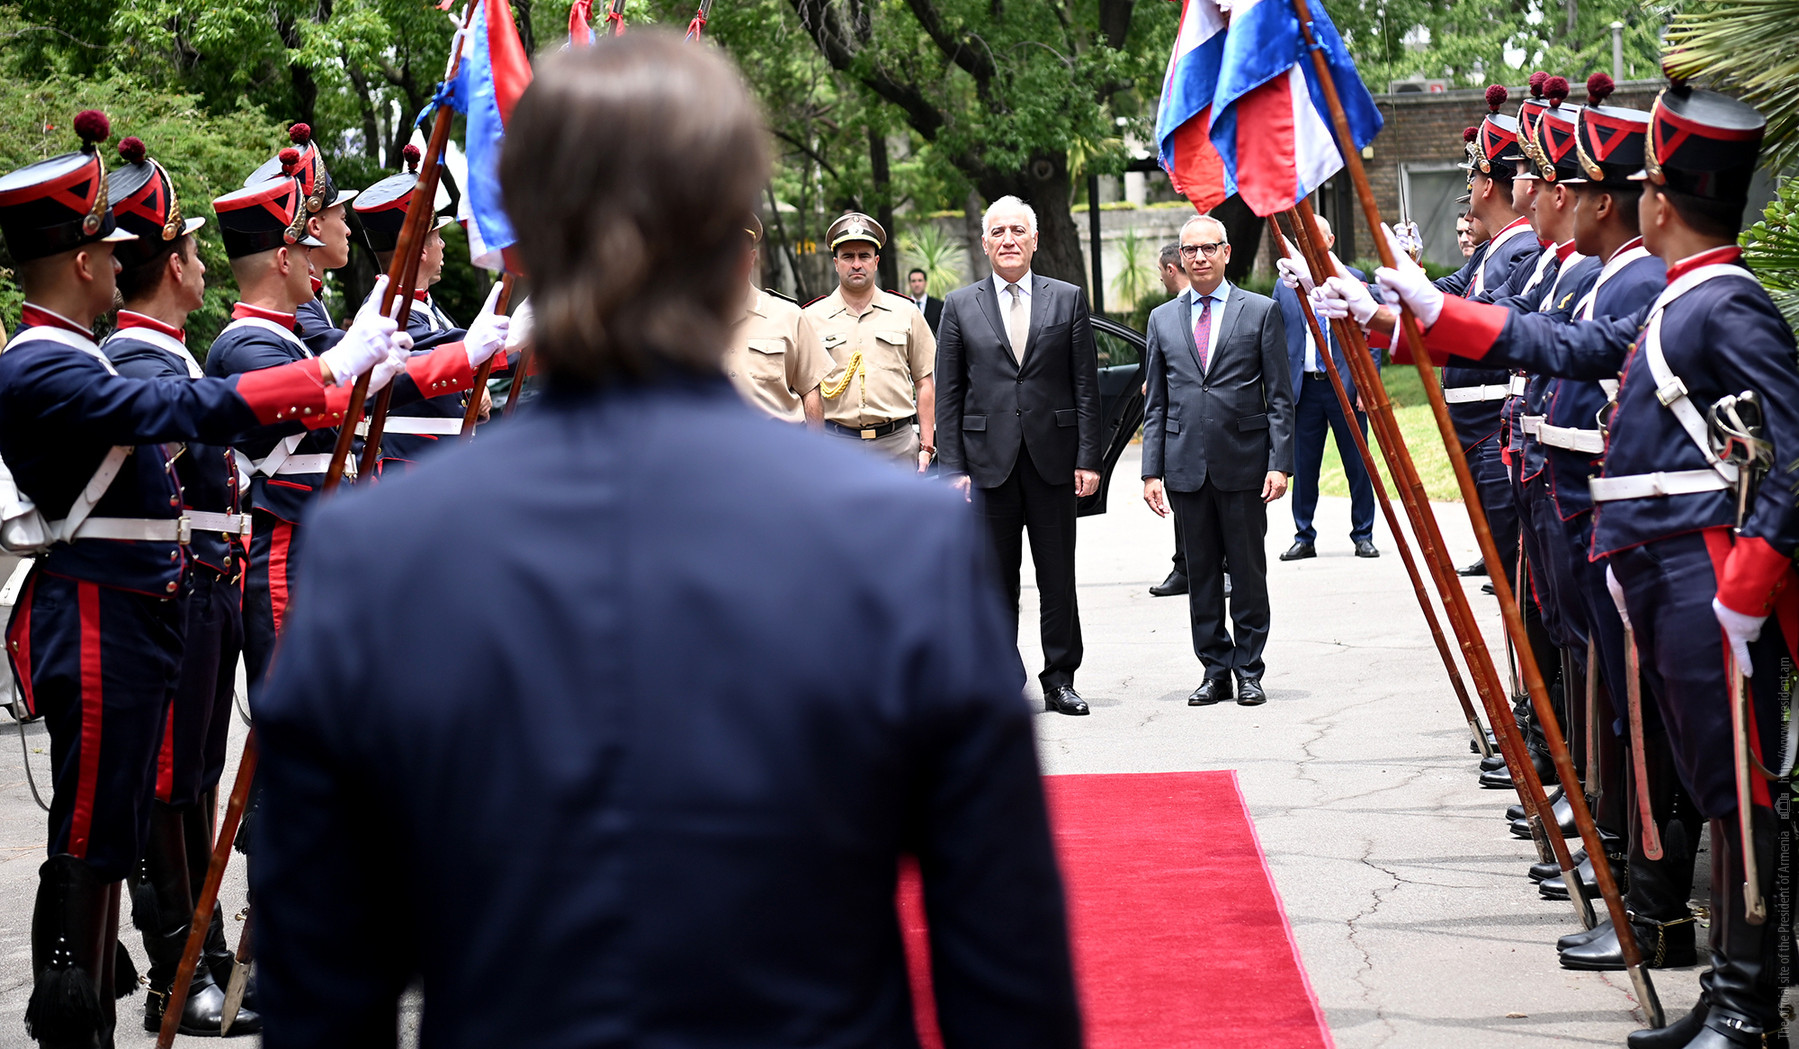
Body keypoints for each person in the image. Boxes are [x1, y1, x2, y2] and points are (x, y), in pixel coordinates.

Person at [250, 33, 1081, 1049]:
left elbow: (325, 996)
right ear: (739, 263)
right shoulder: (900, 543)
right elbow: (1007, 985)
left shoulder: (369, 558)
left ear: (519, 252)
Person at [1322, 80, 1796, 1049]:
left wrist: (1746, 587)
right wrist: (1419, 313)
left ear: (1654, 201)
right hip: (1659, 566)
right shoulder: (1679, 297)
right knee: (1704, 773)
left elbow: (1786, 452)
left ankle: (1747, 1006)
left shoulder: (1723, 305)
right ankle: (1725, 984)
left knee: (1732, 787)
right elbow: (1571, 343)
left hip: (1703, 573)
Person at [0, 111, 401, 1049]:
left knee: (122, 811)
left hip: (132, 611)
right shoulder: (39, 365)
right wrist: (324, 374)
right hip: (96, 614)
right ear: (85, 263)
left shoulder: (74, 354)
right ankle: (76, 1018)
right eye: (104, 245)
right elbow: (172, 405)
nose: (114, 261)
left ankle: (96, 1002)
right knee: (98, 827)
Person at [204, 154, 503, 699]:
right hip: (290, 541)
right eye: (302, 250)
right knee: (287, 726)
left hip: (323, 534)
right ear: (281, 259)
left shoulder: (288, 338)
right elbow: (329, 399)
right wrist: (460, 355)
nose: (313, 261)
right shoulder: (250, 344)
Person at [98, 135, 266, 1037]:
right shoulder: (142, 362)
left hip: (206, 585)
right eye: (193, 251)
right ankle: (177, 970)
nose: (203, 266)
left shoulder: (170, 354)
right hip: (175, 589)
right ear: (168, 266)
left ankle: (191, 962)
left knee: (193, 779)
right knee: (171, 784)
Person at [935, 195, 1103, 716]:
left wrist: (1089, 458)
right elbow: (949, 393)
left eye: (1018, 231)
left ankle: (1060, 679)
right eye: (998, 232)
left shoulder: (1068, 298)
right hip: (986, 465)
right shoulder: (960, 305)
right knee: (992, 580)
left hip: (1053, 460)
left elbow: (1084, 383)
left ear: (1034, 240)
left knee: (1058, 577)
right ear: (985, 243)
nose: (1008, 240)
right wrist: (953, 468)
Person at [1141, 214, 1292, 708]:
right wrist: (1151, 471)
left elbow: (1279, 397)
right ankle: (1214, 669)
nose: (1200, 257)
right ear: (1180, 258)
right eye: (1191, 250)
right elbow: (1157, 403)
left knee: (1247, 572)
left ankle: (1249, 669)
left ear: (1227, 253)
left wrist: (1280, 462)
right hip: (1186, 467)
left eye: (1210, 248)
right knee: (1201, 574)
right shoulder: (1163, 319)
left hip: (1246, 464)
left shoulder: (1261, 311)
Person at [351, 145, 510, 471]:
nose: (443, 244)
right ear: (420, 251)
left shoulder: (425, 307)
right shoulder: (392, 313)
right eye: (436, 236)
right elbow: (446, 352)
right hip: (409, 469)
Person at [1271, 215, 1378, 561]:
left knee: (1357, 463)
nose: (1309, 245)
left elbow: (1370, 340)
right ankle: (1304, 535)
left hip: (1344, 386)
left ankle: (1363, 534)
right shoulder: (1285, 285)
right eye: (1303, 239)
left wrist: (1367, 387)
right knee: (1303, 468)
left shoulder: (1353, 280)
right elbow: (1276, 338)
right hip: (1304, 389)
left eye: (1316, 238)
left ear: (1329, 241)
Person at [806, 214, 937, 470]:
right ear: (836, 263)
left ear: (876, 262)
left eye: (864, 256)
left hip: (897, 448)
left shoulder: (906, 312)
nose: (856, 264)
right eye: (848, 256)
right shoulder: (811, 318)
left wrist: (926, 446)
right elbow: (806, 391)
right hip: (835, 447)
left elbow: (924, 382)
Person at [245, 123, 357, 353]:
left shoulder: (311, 299)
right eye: (343, 219)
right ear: (314, 226)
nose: (348, 231)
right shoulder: (300, 305)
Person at [724, 213, 829, 426]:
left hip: (779, 450)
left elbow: (810, 391)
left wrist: (810, 455)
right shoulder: (691, 322)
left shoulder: (788, 316)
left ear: (752, 259)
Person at [1149, 240, 1193, 597]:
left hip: (1212, 426)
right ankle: (1184, 566)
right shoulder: (1163, 317)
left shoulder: (1207, 309)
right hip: (1178, 429)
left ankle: (1220, 568)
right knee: (1184, 504)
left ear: (1169, 269)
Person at [907, 266, 943, 333]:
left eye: (920, 280)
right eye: (913, 281)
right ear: (909, 284)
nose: (917, 284)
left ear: (926, 283)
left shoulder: (939, 306)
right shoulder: (904, 305)